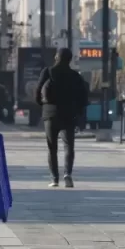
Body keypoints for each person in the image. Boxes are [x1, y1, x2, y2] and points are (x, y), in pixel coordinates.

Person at [35, 47, 88, 188]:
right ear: (70, 60)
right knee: (69, 146)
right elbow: (83, 97)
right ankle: (68, 174)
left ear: (56, 58)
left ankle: (54, 178)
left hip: (50, 114)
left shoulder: (47, 72)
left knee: (52, 147)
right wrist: (78, 112)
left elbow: (38, 92)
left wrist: (44, 106)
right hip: (69, 115)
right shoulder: (75, 76)